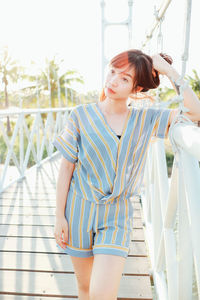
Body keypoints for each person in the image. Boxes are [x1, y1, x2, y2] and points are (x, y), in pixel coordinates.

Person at [52, 49, 200, 300]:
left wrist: (168, 71)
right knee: (85, 289)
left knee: (101, 295)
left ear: (137, 89)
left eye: (124, 78)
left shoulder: (146, 120)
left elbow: (195, 113)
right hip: (78, 211)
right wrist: (59, 217)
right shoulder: (80, 115)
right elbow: (66, 168)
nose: (112, 81)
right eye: (112, 72)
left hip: (116, 216)